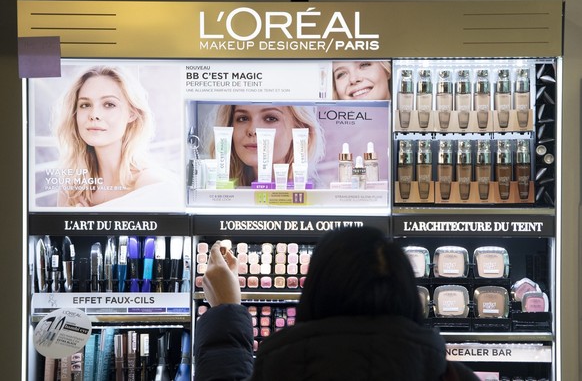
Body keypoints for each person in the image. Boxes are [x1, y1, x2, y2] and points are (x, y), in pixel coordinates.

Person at [194, 227, 479, 381]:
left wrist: (225, 309)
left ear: (315, 290)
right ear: (408, 296)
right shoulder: (452, 376)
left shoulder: (277, 367)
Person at [53, 65, 178, 207]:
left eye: (109, 104)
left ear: (132, 113)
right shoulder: (71, 190)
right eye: (85, 105)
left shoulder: (150, 184)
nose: (94, 115)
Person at [207, 104, 325, 187]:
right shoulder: (217, 194)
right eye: (243, 118)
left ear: (299, 128)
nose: (253, 130)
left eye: (270, 118)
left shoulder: (318, 196)